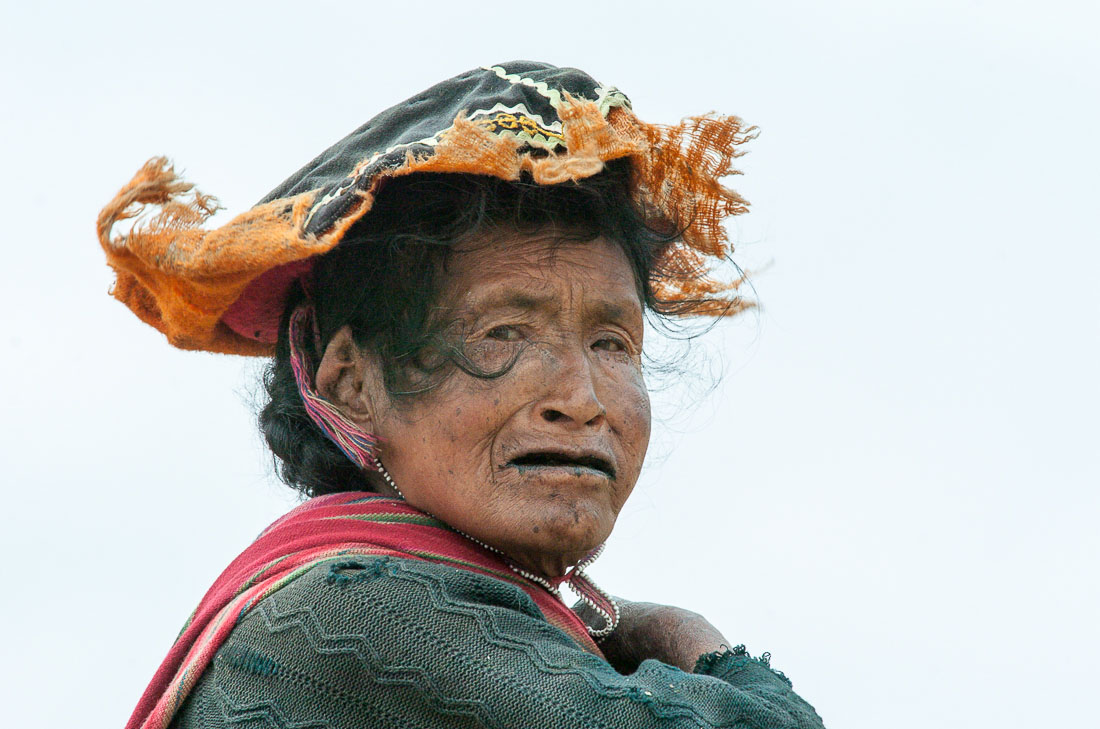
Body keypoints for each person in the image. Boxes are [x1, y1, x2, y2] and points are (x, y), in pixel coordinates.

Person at [98, 61, 825, 729]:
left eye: (613, 343)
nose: (581, 397)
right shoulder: (362, 612)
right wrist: (684, 635)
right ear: (352, 383)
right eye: (502, 333)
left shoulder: (476, 626)